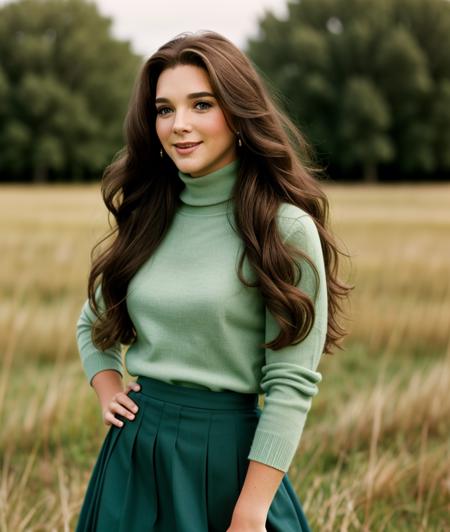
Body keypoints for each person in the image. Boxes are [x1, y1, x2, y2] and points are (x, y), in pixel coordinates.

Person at [74, 30, 352, 532]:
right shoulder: (149, 215)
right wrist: (105, 383)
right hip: (133, 456)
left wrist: (252, 509)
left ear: (239, 114)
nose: (179, 125)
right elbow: (92, 317)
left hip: (228, 462)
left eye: (201, 104)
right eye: (164, 109)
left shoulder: (284, 228)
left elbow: (290, 384)